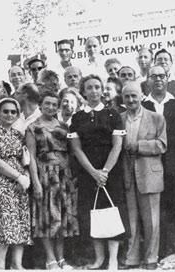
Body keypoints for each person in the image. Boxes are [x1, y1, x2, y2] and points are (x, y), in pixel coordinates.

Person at [69, 74, 129, 270]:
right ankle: (99, 258)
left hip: (110, 171)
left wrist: (104, 172)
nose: (94, 91)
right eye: (89, 88)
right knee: (92, 212)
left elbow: (117, 145)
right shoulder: (77, 117)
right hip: (88, 171)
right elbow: (76, 149)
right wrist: (93, 173)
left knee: (112, 211)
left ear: (101, 89)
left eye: (97, 87)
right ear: (83, 91)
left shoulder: (113, 114)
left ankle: (112, 259)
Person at [141, 65, 175, 265]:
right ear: (148, 80)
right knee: (159, 210)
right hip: (152, 166)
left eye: (162, 76)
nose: (158, 80)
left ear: (167, 79)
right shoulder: (142, 105)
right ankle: (163, 251)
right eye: (153, 76)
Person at [26, 91, 78, 270]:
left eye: (54, 104)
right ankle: (50, 259)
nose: (51, 107)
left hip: (64, 174)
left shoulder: (63, 126)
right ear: (40, 105)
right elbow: (31, 157)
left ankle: (61, 257)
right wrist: (36, 182)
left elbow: (71, 151)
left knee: (63, 216)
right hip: (45, 174)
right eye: (47, 104)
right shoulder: (33, 127)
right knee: (46, 217)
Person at [0, 97, 32, 269]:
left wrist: (24, 177)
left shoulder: (18, 135)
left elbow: (24, 158)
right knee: (3, 223)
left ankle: (17, 265)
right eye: (5, 111)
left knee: (19, 221)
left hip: (18, 182)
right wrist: (18, 177)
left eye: (13, 112)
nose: (9, 115)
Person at [120, 81, 167, 270]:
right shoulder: (119, 118)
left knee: (152, 220)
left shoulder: (156, 118)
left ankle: (151, 258)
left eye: (134, 95)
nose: (131, 100)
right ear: (122, 99)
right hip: (127, 174)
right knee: (131, 219)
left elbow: (162, 145)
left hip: (149, 175)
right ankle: (131, 257)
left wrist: (139, 146)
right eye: (127, 96)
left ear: (141, 96)